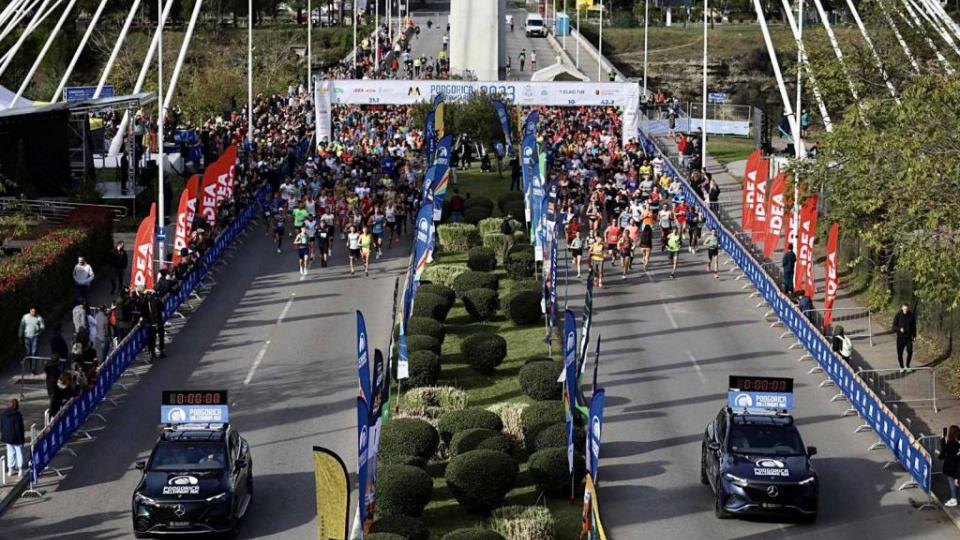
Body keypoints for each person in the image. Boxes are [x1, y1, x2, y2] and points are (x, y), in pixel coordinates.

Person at [1, 399, 25, 477]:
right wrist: (21, 439)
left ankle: (10, 469)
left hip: (7, 437)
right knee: (19, 453)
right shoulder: (17, 415)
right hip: (16, 437)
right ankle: (20, 469)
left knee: (10, 453)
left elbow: (1, 425)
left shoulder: (4, 413)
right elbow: (18, 428)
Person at [19, 307, 45, 373]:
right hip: (27, 337)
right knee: (28, 352)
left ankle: (33, 368)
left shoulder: (39, 317)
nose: (34, 313)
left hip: (35, 336)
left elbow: (42, 326)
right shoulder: (25, 317)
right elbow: (21, 326)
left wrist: (39, 332)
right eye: (32, 311)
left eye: (35, 311)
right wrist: (20, 336)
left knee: (34, 352)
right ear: (30, 311)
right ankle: (30, 366)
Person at [893, 303, 917, 373]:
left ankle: (907, 365)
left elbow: (914, 327)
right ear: (902, 308)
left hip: (909, 337)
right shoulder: (898, 315)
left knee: (910, 351)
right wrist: (899, 329)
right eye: (904, 309)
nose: (905, 310)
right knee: (900, 353)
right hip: (900, 338)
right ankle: (901, 367)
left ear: (908, 308)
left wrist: (914, 336)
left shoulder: (912, 316)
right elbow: (893, 326)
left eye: (906, 309)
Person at [941, 425, 960, 507]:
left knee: (952, 484)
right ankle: (955, 498)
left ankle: (954, 498)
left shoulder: (950, 443)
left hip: (951, 468)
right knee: (956, 484)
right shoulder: (957, 444)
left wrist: (942, 440)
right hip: (956, 468)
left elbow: (943, 453)